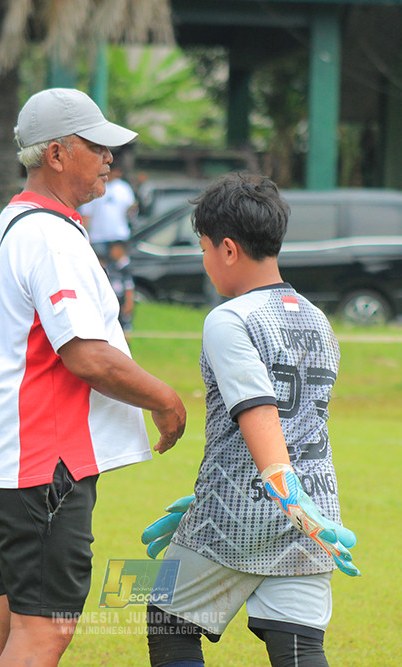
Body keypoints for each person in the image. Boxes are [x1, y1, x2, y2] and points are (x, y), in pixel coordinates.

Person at [0, 87, 186, 666]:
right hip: (40, 465)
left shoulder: (17, 222)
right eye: (98, 145)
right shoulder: (49, 235)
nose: (110, 156)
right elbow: (85, 355)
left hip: (11, 458)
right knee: (45, 631)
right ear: (57, 154)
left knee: (4, 619)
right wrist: (165, 399)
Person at [144, 173, 359, 667]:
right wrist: (302, 508)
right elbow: (298, 422)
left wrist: (268, 494)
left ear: (227, 249)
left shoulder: (229, 318)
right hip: (315, 512)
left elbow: (258, 411)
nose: (205, 261)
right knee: (299, 649)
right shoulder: (316, 318)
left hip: (242, 510)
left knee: (165, 618)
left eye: (202, 249)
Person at [78, 162, 136, 260]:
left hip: (118, 235)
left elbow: (131, 210)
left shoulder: (123, 187)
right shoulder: (93, 187)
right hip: (98, 237)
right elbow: (86, 214)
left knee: (120, 266)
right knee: (101, 268)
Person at [104, 240, 135, 333]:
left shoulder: (126, 268)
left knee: (124, 328)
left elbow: (129, 286)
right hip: (115, 300)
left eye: (113, 249)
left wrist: (129, 302)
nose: (111, 252)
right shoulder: (113, 265)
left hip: (123, 301)